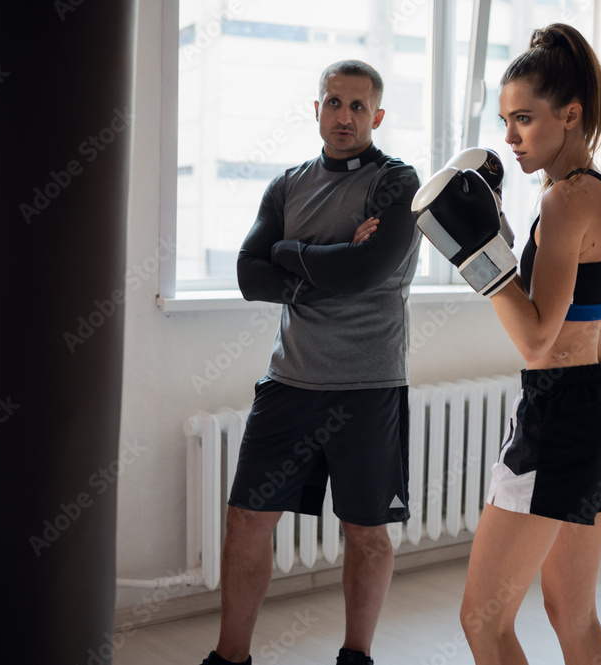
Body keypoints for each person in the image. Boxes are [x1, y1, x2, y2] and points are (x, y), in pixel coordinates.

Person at [411, 23, 601, 664]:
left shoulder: (567, 200)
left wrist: (482, 261)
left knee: (482, 621)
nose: (509, 138)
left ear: (570, 114)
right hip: (594, 405)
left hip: (560, 409)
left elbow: (537, 339)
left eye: (525, 120)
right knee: (573, 613)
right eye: (505, 120)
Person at [199, 59, 421, 665]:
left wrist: (289, 252)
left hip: (368, 385)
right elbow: (249, 275)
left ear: (376, 115)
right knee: (246, 520)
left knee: (365, 533)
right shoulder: (289, 184)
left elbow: (367, 270)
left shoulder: (396, 182)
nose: (343, 115)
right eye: (333, 102)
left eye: (357, 106)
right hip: (289, 380)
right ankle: (229, 657)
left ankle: (356, 656)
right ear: (317, 108)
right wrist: (327, 262)